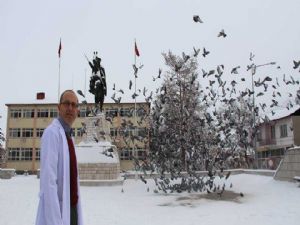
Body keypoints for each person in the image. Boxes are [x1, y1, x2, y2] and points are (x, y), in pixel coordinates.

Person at [35, 90, 84, 225]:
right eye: (66, 103)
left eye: (74, 105)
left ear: (77, 110)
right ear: (59, 107)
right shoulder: (52, 133)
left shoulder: (69, 136)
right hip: (58, 212)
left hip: (71, 210)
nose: (70, 108)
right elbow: (48, 181)